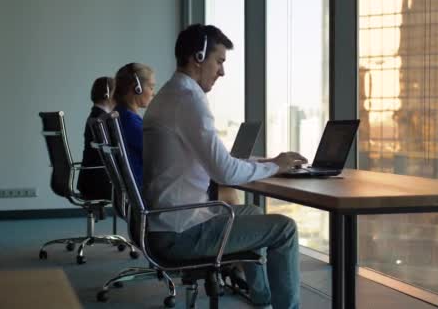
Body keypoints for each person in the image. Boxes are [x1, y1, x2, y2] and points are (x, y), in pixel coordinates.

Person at [143, 24, 306, 309]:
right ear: (198, 57)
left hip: (167, 220)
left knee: (252, 211)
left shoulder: (168, 95)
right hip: (181, 231)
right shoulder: (189, 99)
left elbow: (217, 161)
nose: (222, 71)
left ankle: (263, 299)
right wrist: (276, 168)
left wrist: (268, 162)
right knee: (285, 229)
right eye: (219, 61)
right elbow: (225, 173)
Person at [113, 62, 156, 189]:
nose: (153, 93)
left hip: (131, 192)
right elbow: (158, 155)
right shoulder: (129, 121)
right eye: (151, 87)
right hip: (145, 191)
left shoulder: (119, 114)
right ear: (137, 88)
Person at [77, 76, 116, 200]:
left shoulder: (96, 116)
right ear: (108, 95)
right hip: (100, 182)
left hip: (90, 179)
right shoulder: (102, 119)